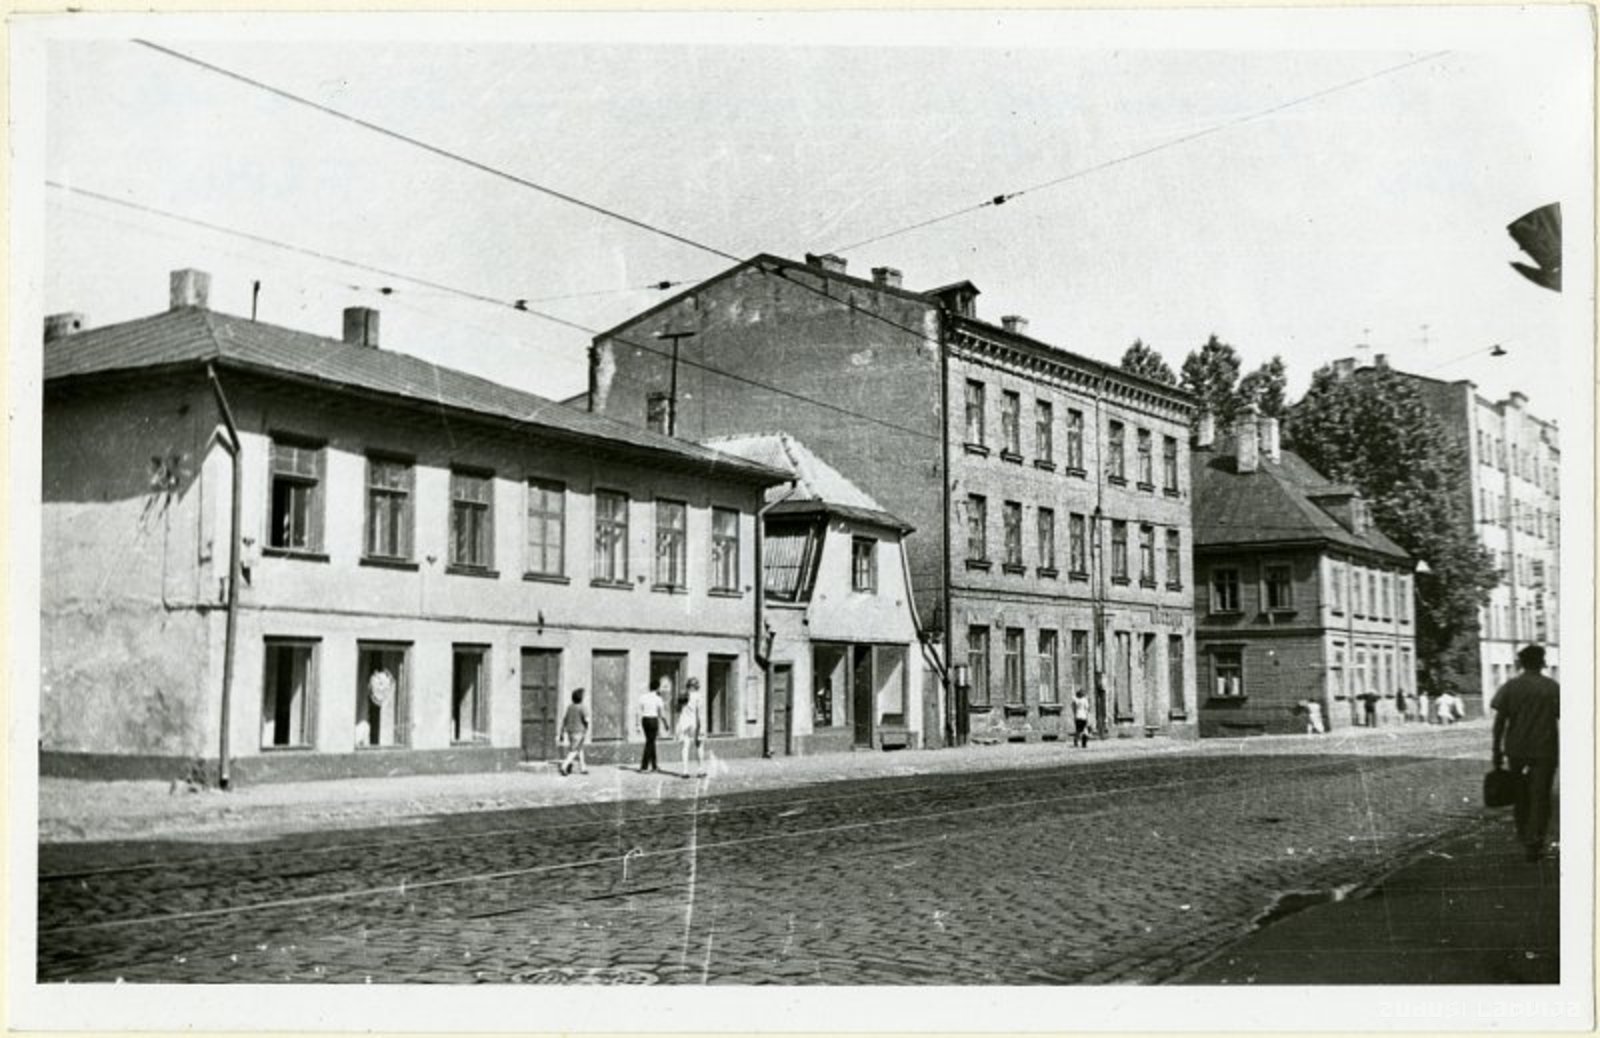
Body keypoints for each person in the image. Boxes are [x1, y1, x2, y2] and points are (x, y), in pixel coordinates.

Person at [1491, 644, 1560, 861]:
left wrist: (1496, 749)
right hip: (1545, 749)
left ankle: (1524, 836)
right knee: (1541, 796)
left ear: (1522, 663)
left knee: (1521, 796)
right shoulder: (1552, 687)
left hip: (1516, 749)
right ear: (1541, 662)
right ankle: (1535, 841)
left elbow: (1500, 721)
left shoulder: (1510, 687)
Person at [557, 688, 590, 776]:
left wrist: (562, 731)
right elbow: (587, 720)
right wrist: (587, 725)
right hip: (579, 731)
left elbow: (565, 719)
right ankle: (564, 766)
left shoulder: (570, 707)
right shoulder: (582, 707)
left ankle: (583, 768)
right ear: (581, 698)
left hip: (570, 731)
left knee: (579, 749)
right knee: (574, 750)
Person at [676, 678, 705, 778]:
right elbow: (699, 712)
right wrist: (701, 727)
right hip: (694, 722)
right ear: (696, 686)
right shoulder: (698, 696)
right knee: (699, 745)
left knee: (685, 746)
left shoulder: (683, 695)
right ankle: (700, 770)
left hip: (684, 722)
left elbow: (678, 710)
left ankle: (685, 771)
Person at [638, 678, 667, 773]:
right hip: (653, 720)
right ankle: (644, 766)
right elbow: (662, 713)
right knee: (650, 743)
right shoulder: (658, 699)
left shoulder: (643, 697)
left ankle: (654, 765)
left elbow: (639, 711)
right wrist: (665, 723)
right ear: (657, 688)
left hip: (645, 720)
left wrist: (637, 725)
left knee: (651, 741)